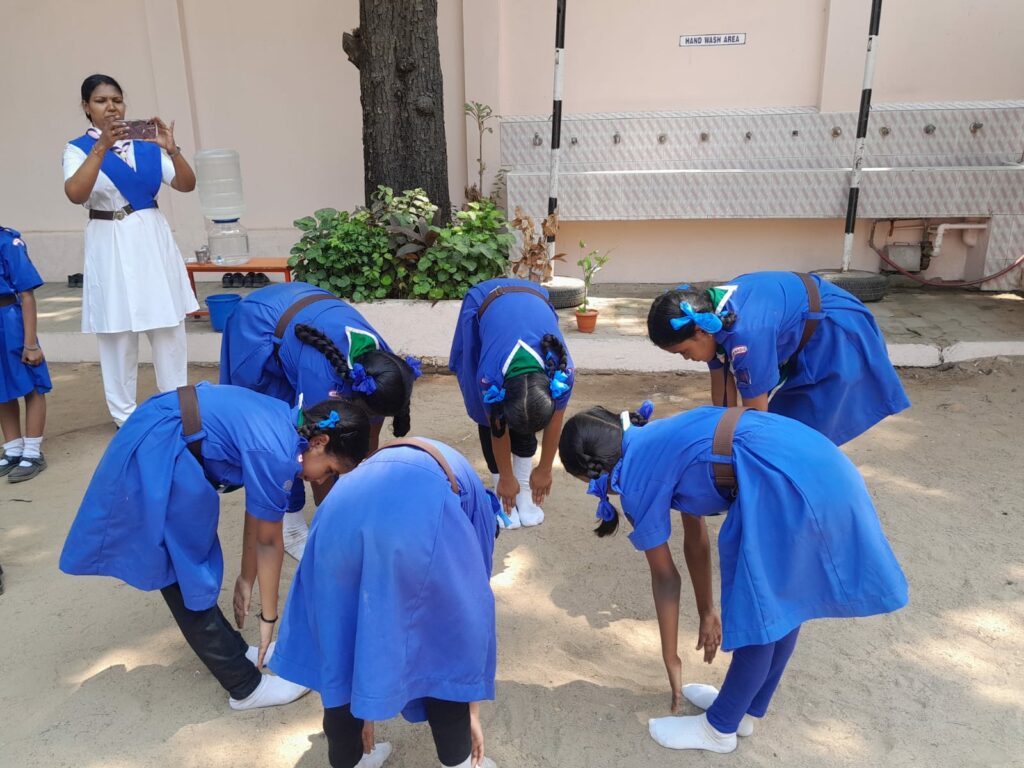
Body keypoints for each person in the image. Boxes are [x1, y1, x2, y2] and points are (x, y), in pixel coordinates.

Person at [559, 403, 908, 753]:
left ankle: (719, 729)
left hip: (788, 484)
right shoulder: (654, 438)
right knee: (780, 608)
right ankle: (741, 710)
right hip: (814, 465)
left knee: (760, 613)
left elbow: (665, 579)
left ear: (594, 474)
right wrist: (707, 611)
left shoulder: (635, 477)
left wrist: (671, 657)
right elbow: (695, 538)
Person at [59, 384, 371, 711]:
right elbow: (268, 542)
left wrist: (246, 579)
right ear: (320, 442)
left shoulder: (288, 426)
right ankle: (244, 687)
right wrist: (268, 619)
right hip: (159, 449)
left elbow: (258, 511)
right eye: (330, 471)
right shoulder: (278, 454)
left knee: (190, 564)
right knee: (183, 572)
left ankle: (237, 652)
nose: (321, 481)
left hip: (168, 437)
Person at [271, 438, 500, 768]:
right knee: (443, 649)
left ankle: (350, 761)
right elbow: (470, 613)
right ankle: (461, 762)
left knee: (339, 645)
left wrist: (362, 701)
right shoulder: (475, 499)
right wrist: (471, 709)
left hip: (334, 519)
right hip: (414, 529)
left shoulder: (366, 469)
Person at [220, 280, 420, 558]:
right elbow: (314, 452)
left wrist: (360, 490)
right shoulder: (324, 382)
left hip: (303, 308)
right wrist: (333, 520)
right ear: (352, 397)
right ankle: (291, 523)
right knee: (281, 433)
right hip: (259, 325)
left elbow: (367, 436)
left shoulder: (383, 371)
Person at [62, 74, 199, 427]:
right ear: (86, 107)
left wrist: (172, 149)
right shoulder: (78, 148)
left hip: (151, 240)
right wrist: (101, 147)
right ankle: (125, 417)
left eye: (117, 100)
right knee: (117, 330)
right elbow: (75, 193)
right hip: (109, 240)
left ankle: (176, 409)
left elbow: (186, 184)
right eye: (101, 101)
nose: (111, 107)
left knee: (167, 325)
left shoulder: (147, 145)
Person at [646, 272, 910, 445]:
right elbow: (722, 388)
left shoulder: (745, 335)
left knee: (798, 433)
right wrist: (721, 431)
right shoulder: (710, 313)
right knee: (779, 429)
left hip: (837, 330)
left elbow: (757, 414)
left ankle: (808, 490)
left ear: (700, 332)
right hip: (804, 325)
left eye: (683, 352)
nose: (685, 359)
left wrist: (738, 450)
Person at [449, 277, 574, 529]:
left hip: (532, 297)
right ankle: (501, 488)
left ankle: (523, 488)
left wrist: (545, 469)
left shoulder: (562, 372)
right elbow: (496, 427)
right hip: (486, 300)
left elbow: (555, 422)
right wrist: (505, 478)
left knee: (527, 416)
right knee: (483, 412)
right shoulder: (490, 377)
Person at [0, 227, 50, 482]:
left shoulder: (8, 242)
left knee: (32, 385)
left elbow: (26, 294)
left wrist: (30, 344)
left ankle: (32, 451)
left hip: (10, 323)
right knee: (1, 388)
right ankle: (13, 449)